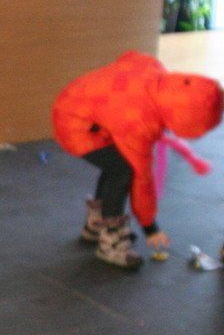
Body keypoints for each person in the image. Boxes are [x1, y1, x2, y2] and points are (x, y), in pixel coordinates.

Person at [51, 51, 222, 269]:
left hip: (82, 101)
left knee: (114, 163)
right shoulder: (138, 121)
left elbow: (131, 58)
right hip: (75, 124)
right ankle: (110, 241)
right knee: (124, 170)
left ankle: (96, 224)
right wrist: (150, 227)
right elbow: (142, 177)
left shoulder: (153, 69)